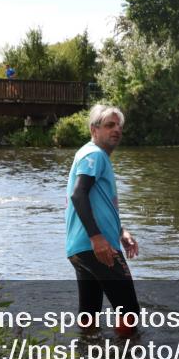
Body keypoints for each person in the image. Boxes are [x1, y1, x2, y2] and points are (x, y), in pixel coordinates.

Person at [65, 104, 141, 337]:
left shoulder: (93, 155)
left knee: (89, 312)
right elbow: (78, 195)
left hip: (79, 249)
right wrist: (97, 238)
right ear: (94, 130)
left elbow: (100, 203)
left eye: (118, 125)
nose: (116, 129)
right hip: (96, 247)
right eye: (109, 125)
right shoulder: (94, 154)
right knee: (129, 310)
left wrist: (120, 232)